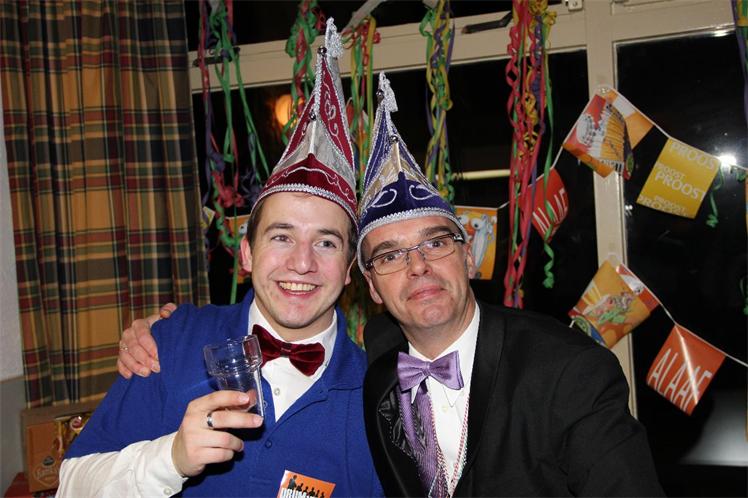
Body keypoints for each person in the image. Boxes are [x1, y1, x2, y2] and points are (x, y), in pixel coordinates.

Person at [117, 74, 665, 497]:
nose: (418, 267)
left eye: (435, 243)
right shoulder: (374, 366)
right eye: (390, 255)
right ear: (371, 286)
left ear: (468, 254)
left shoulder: (568, 369)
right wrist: (156, 332)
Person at [59, 20, 382, 498]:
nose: (302, 263)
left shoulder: (378, 396)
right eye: (281, 236)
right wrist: (169, 459)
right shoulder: (170, 342)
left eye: (327, 243)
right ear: (247, 253)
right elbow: (70, 485)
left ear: (350, 268)